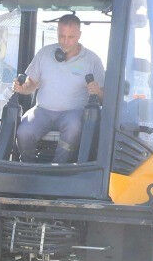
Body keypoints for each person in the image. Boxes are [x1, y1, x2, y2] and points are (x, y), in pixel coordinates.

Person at [8, 13, 104, 162]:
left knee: (73, 129)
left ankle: (59, 168)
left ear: (79, 35)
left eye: (70, 37)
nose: (65, 41)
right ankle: (30, 166)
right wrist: (22, 88)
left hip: (73, 113)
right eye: (61, 36)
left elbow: (104, 97)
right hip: (43, 110)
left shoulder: (92, 60)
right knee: (23, 132)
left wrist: (97, 91)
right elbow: (31, 84)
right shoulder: (45, 53)